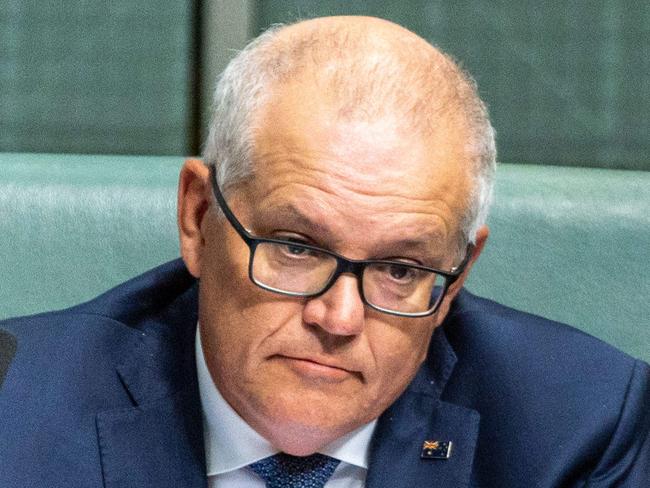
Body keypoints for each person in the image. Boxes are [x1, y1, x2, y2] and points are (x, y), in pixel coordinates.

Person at [0, 16, 648, 488]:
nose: (337, 320)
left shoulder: (579, 430)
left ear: (454, 282)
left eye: (400, 270)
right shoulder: (17, 412)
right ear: (198, 217)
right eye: (295, 248)